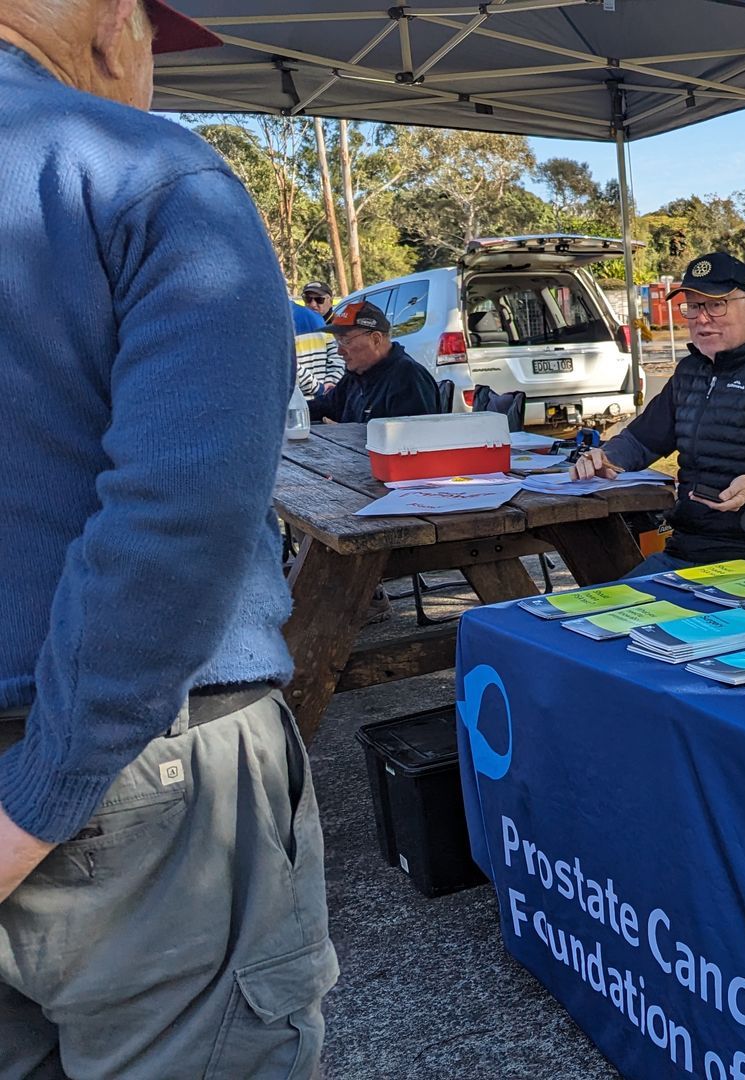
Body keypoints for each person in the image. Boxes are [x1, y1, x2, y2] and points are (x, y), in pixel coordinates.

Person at [0, 1, 336, 1076]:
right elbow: (179, 516)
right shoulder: (147, 173)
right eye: (158, 47)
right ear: (113, 27)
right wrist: (39, 803)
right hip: (142, 774)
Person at [571, 252, 745, 575]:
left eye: (716, 305)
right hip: (687, 547)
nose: (702, 319)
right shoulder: (691, 371)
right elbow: (642, 439)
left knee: (682, 625)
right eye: (693, 306)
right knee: (602, 617)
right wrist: (605, 457)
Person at [308, 299, 440, 423]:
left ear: (376, 339)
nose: (339, 351)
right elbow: (323, 406)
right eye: (338, 342)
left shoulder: (407, 377)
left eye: (345, 341)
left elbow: (411, 439)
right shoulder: (356, 376)